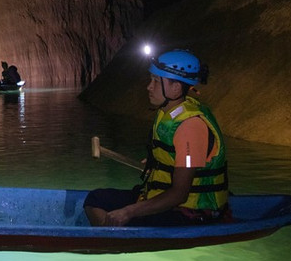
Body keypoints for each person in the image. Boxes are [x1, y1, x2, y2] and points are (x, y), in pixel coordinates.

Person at [83, 49, 229, 227]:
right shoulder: (169, 113)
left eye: (156, 81)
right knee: (96, 199)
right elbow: (173, 155)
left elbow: (179, 194)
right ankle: (110, 237)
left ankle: (112, 239)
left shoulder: (190, 127)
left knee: (127, 218)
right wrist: (157, 162)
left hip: (188, 211)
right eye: (151, 79)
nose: (149, 87)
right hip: (160, 194)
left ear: (175, 88)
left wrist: (128, 211)